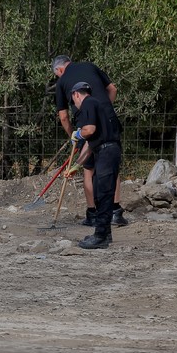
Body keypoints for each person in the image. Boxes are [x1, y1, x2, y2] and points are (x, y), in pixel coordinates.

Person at [52, 55, 128, 226]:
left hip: (85, 124)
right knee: (112, 165)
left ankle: (92, 214)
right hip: (109, 119)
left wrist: (73, 134)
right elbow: (113, 89)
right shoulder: (90, 66)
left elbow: (63, 117)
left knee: (89, 170)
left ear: (60, 70)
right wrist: (101, 111)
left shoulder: (62, 81)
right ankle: (116, 212)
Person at [69, 82, 122, 249]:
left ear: (76, 94)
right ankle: (104, 233)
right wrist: (76, 166)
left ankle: (100, 236)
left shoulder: (88, 103)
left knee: (104, 193)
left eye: (73, 100)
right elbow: (91, 144)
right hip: (104, 151)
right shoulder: (96, 105)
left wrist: (78, 133)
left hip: (107, 153)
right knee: (100, 193)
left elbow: (89, 130)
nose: (75, 105)